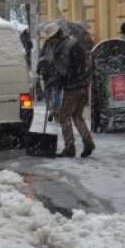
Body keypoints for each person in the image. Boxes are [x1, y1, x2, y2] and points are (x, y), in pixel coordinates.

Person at [40, 23, 95, 158]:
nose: (50, 41)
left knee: (64, 116)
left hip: (73, 87)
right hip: (83, 85)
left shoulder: (65, 47)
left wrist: (51, 80)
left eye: (51, 38)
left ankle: (69, 148)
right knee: (77, 116)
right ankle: (88, 142)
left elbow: (63, 70)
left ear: (56, 35)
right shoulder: (74, 42)